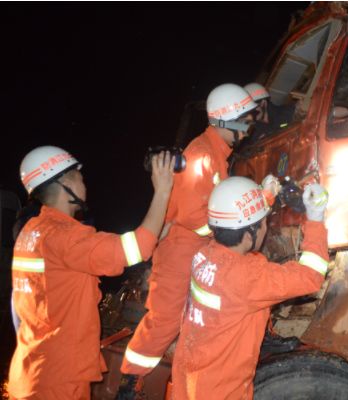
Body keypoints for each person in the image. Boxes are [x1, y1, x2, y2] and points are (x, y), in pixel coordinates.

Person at [120, 84, 281, 381]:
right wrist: (258, 203)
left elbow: (221, 207)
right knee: (165, 319)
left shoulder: (216, 153)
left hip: (201, 247)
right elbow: (198, 217)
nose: (248, 128)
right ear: (225, 121)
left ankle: (264, 336)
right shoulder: (202, 157)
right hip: (181, 251)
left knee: (247, 280)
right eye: (244, 121)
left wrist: (259, 198)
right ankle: (130, 380)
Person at [8, 145, 174, 400]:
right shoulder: (64, 237)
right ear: (66, 183)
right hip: (59, 378)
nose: (84, 181)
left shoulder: (34, 231)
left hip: (35, 367)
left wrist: (157, 234)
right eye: (79, 175)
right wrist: (162, 190)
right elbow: (134, 249)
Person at [171, 176, 330, 400]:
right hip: (221, 392)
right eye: (263, 223)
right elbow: (310, 276)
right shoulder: (248, 278)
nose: (266, 227)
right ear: (248, 236)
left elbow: (231, 220)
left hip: (190, 379)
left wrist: (264, 197)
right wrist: (315, 218)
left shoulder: (205, 253)